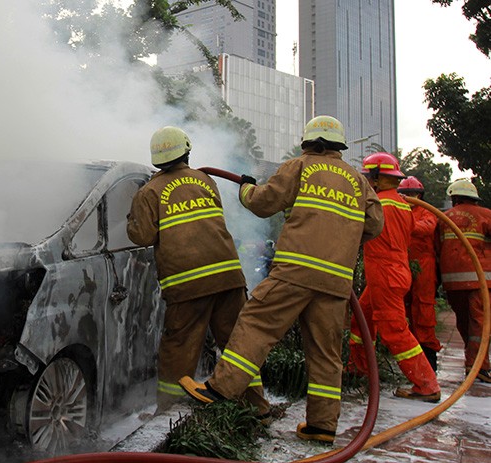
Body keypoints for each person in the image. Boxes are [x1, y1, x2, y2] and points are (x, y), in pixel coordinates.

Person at [178, 115, 383, 443]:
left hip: (294, 272)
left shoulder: (300, 167)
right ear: (338, 146)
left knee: (256, 325)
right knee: (325, 353)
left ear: (309, 142)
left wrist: (245, 188)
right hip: (336, 282)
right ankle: (322, 426)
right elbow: (374, 226)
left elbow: (263, 203)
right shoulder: (359, 181)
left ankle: (220, 389)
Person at [126, 126, 267, 415]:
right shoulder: (204, 180)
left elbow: (141, 236)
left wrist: (132, 219)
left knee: (178, 348)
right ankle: (256, 408)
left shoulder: (149, 192)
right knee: (237, 345)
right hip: (228, 276)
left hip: (188, 284)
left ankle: (168, 413)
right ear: (187, 151)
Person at [349, 153, 441, 403]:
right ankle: (357, 368)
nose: (366, 180)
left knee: (394, 330)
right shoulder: (403, 205)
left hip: (385, 275)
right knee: (361, 318)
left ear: (377, 178)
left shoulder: (377, 205)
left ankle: (425, 384)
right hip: (395, 273)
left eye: (368, 176)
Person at [437, 179, 491, 383]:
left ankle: (473, 360)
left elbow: (436, 248)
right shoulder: (486, 215)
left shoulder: (443, 218)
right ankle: (479, 367)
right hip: (481, 282)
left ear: (454, 198)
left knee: (464, 322)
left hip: (452, 283)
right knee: (480, 324)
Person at [397, 176, 442, 371]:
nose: (409, 198)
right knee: (402, 310)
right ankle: (410, 358)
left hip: (424, 267)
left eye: (412, 194)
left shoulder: (427, 212)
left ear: (420, 195)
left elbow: (427, 228)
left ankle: (428, 358)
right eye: (405, 194)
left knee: (423, 310)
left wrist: (404, 224)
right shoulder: (397, 209)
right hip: (401, 264)